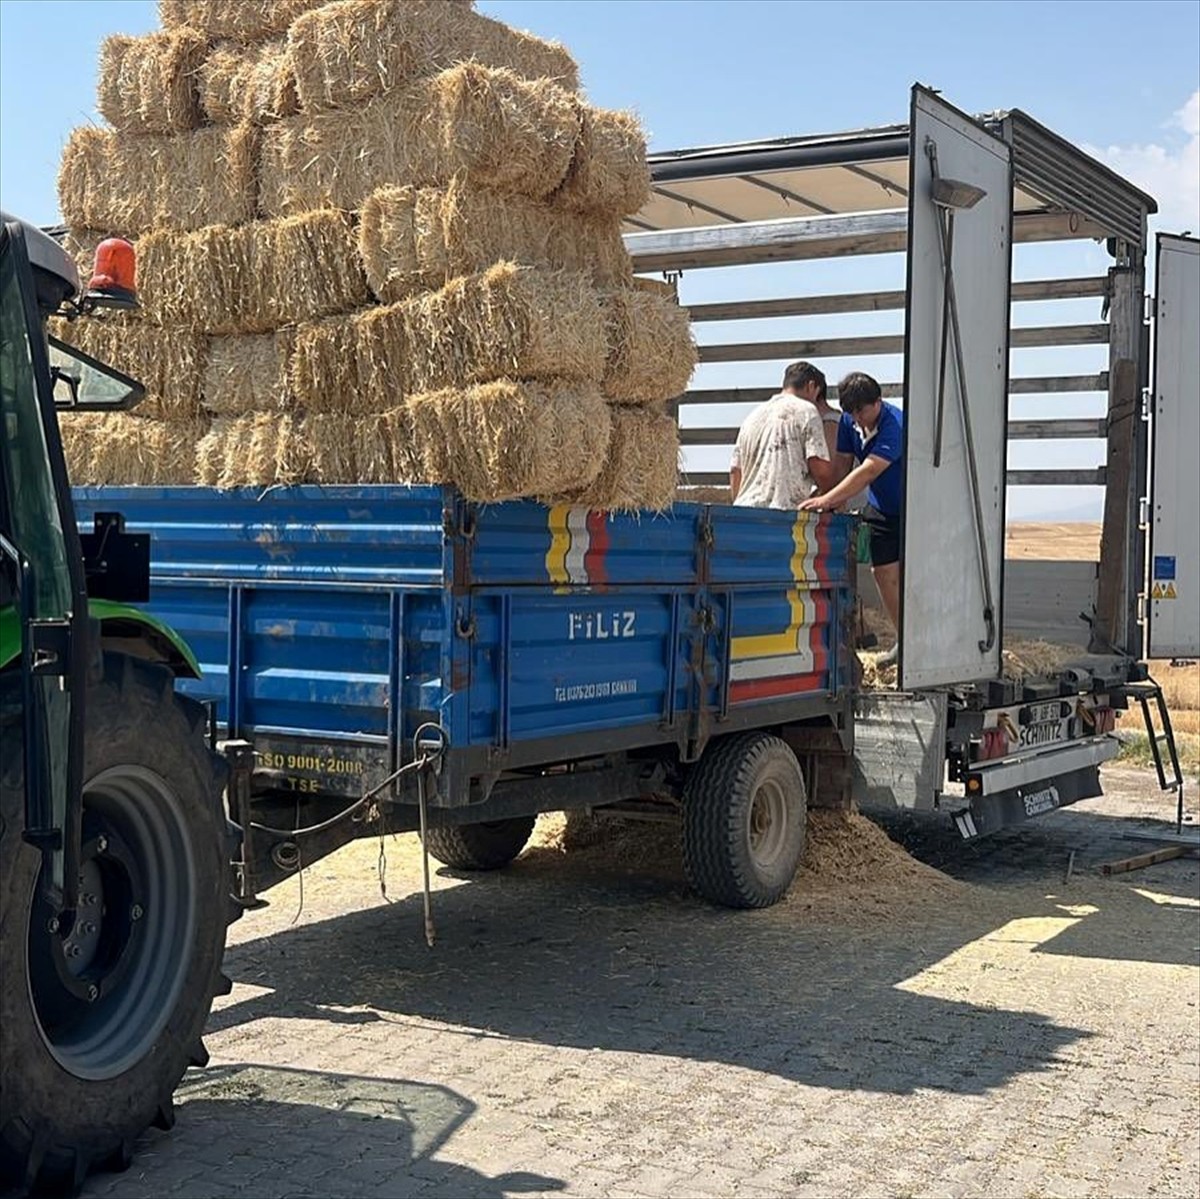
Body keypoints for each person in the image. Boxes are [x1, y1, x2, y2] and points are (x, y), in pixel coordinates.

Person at [801, 371, 903, 664]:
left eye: (862, 411)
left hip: (912, 507)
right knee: (881, 572)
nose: (858, 419)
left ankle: (920, 643)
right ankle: (903, 638)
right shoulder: (848, 422)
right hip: (881, 507)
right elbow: (844, 464)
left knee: (912, 577)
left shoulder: (894, 425)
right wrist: (830, 498)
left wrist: (827, 499)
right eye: (851, 412)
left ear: (878, 402)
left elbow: (868, 470)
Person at [729, 362, 833, 509]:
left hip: (746, 511)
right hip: (787, 513)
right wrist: (830, 496)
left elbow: (735, 470)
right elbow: (818, 464)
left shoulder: (752, 416)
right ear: (811, 386)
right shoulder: (807, 411)